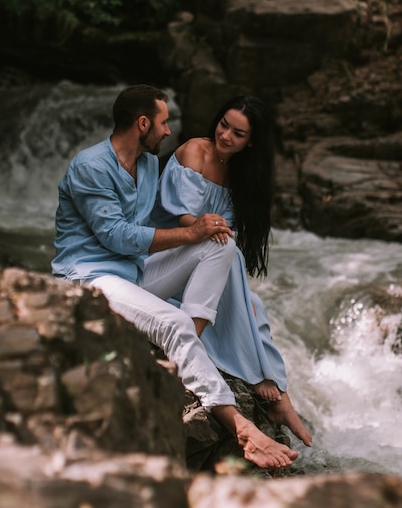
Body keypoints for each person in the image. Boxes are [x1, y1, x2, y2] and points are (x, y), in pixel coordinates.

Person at [51, 84, 299, 470]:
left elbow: (153, 230)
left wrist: (199, 237)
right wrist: (190, 231)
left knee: (222, 247)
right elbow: (116, 236)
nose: (169, 131)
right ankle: (241, 429)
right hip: (91, 277)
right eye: (164, 123)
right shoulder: (90, 166)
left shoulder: (149, 165)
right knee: (173, 322)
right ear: (144, 123)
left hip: (135, 273)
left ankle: (199, 346)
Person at [151, 94, 312, 447]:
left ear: (251, 141)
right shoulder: (195, 151)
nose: (225, 136)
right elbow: (185, 219)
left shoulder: (243, 175)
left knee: (254, 304)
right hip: (161, 260)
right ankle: (262, 381)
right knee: (226, 248)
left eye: (237, 134)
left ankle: (276, 395)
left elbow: (227, 234)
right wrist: (215, 233)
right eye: (224, 124)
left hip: (199, 268)